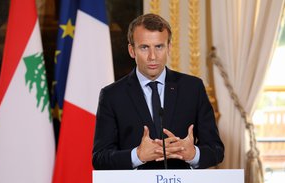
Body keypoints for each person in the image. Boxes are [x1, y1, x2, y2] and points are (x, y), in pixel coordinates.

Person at [92, 13, 224, 170]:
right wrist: (137, 155)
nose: (152, 56)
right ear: (132, 50)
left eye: (159, 47)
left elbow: (217, 151)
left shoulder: (193, 88)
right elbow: (99, 158)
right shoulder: (112, 95)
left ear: (169, 48)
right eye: (144, 47)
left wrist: (193, 154)